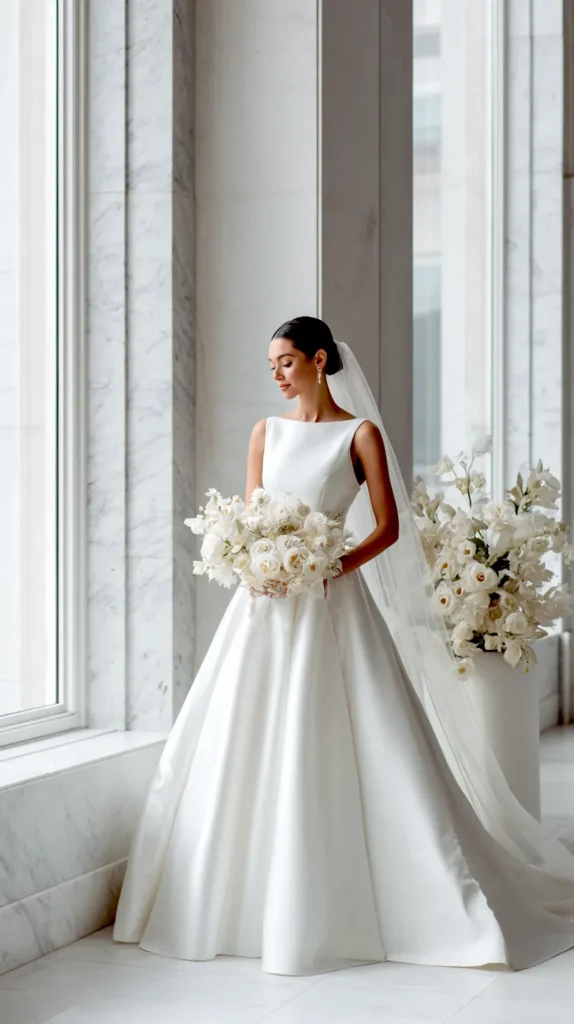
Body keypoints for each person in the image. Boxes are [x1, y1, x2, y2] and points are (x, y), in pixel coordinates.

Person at [113, 316, 574, 976]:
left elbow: (388, 526)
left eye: (286, 361)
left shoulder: (358, 435)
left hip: (331, 602)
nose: (276, 374)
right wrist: (254, 563)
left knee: (345, 733)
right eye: (271, 364)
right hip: (263, 606)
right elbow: (251, 518)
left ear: (320, 359)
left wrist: (329, 565)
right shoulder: (265, 432)